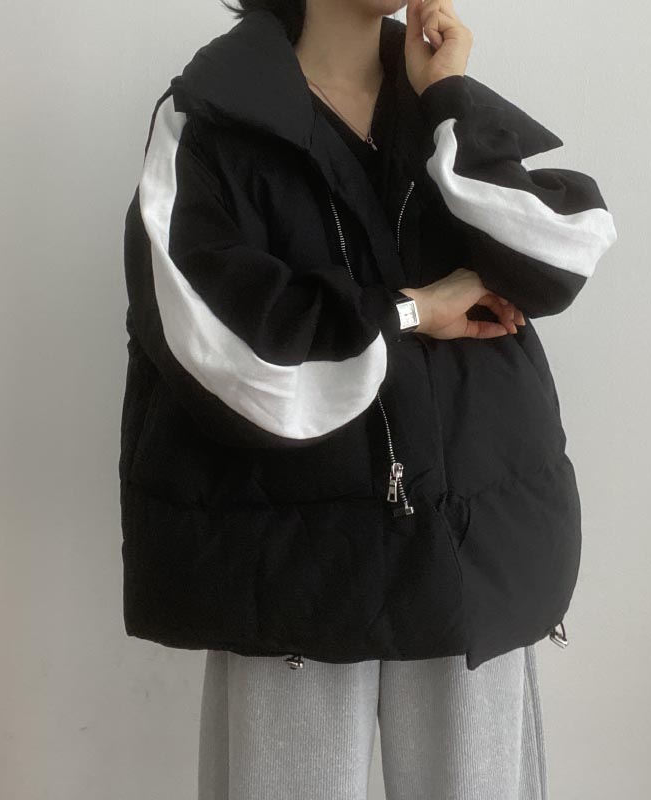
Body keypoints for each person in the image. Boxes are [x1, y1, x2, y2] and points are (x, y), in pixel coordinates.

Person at [119, 0, 618, 797]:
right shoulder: (211, 118)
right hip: (290, 563)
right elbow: (219, 344)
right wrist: (411, 309)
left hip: (468, 549)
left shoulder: (437, 109)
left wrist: (448, 99)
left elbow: (558, 257)